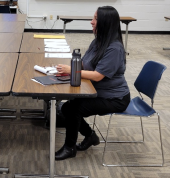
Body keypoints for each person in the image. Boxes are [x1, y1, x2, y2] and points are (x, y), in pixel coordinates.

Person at [55, 6, 130, 161]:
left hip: (115, 98)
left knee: (74, 109)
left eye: (95, 19)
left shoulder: (114, 48)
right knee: (68, 107)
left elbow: (97, 76)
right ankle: (90, 136)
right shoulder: (98, 41)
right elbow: (84, 64)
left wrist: (72, 71)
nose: (91, 22)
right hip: (98, 91)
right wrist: (69, 69)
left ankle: (70, 148)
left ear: (105, 23)